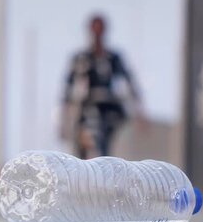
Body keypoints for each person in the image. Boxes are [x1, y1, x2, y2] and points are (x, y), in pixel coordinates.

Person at [61, 14, 144, 159]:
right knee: (82, 149)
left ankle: (103, 172)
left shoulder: (113, 58)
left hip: (109, 111)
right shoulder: (81, 58)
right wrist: (64, 121)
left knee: (103, 149)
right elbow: (68, 90)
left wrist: (139, 112)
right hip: (86, 110)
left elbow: (129, 82)